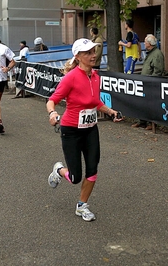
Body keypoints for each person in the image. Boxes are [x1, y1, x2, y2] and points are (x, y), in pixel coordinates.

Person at [46, 38, 123, 222]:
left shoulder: (95, 77)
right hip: (71, 130)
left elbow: (95, 102)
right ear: (78, 57)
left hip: (90, 130)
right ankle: (59, 171)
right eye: (87, 53)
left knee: (92, 170)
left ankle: (82, 206)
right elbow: (52, 100)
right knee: (75, 177)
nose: (93, 55)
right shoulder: (70, 78)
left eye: (93, 51)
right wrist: (52, 114)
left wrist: (111, 112)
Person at [132, 34, 165, 130]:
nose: (144, 44)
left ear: (149, 44)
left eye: (145, 42)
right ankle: (142, 121)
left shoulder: (157, 54)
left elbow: (158, 70)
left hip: (151, 84)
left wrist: (151, 81)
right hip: (146, 83)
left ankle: (152, 122)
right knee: (143, 103)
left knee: (152, 104)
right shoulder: (151, 53)